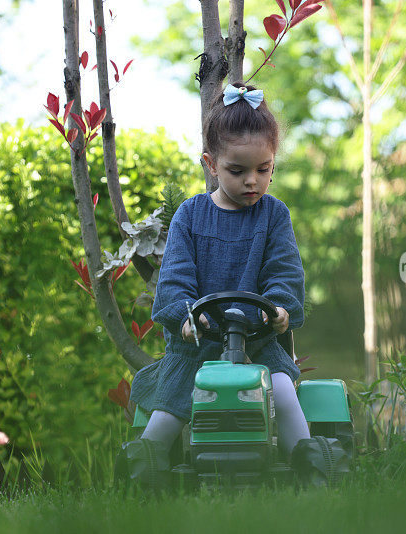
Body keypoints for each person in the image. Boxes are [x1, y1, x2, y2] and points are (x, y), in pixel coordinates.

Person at [129, 82, 311, 459]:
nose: (252, 180)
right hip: (197, 346)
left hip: (259, 346)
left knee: (286, 396)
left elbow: (285, 273)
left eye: (264, 169)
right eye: (237, 170)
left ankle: (307, 464)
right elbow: (174, 279)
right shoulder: (190, 216)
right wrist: (184, 317)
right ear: (211, 164)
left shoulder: (274, 216)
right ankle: (144, 469)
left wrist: (278, 308)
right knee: (165, 417)